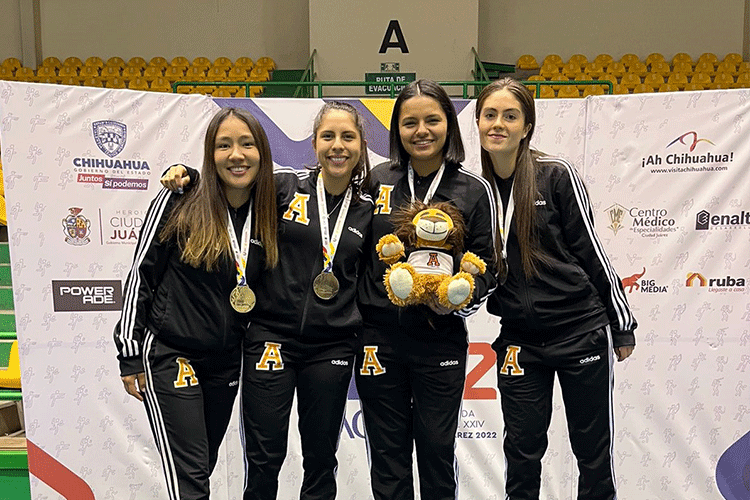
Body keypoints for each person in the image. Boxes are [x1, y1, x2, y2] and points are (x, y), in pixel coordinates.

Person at [162, 101, 373, 500]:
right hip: (269, 338)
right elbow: (231, 184)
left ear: (362, 145)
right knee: (264, 457)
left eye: (347, 137)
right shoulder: (282, 188)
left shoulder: (366, 210)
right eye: (328, 136)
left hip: (333, 345)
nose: (337, 146)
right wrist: (187, 175)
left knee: (321, 457)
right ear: (314, 143)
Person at [475, 77, 637, 500]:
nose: (498, 123)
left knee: (592, 453)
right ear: (476, 122)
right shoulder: (477, 192)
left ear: (526, 126)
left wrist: (621, 322)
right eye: (490, 114)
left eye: (510, 116)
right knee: (522, 452)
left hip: (579, 329)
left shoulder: (555, 175)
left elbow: (591, 252)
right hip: (519, 341)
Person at [114, 107, 278, 500]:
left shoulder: (272, 209)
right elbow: (142, 274)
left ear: (263, 153)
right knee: (189, 478)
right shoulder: (180, 200)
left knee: (201, 466)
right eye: (224, 145)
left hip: (226, 361)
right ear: (210, 153)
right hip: (171, 351)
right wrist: (129, 354)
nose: (236, 155)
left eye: (246, 144)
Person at [355, 79, 497, 500]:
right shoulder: (376, 180)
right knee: (387, 455)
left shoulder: (473, 189)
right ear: (396, 130)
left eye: (432, 120)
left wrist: (458, 298)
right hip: (378, 338)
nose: (421, 131)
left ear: (448, 126)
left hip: (440, 341)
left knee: (436, 451)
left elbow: (487, 266)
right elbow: (353, 247)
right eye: (409, 122)